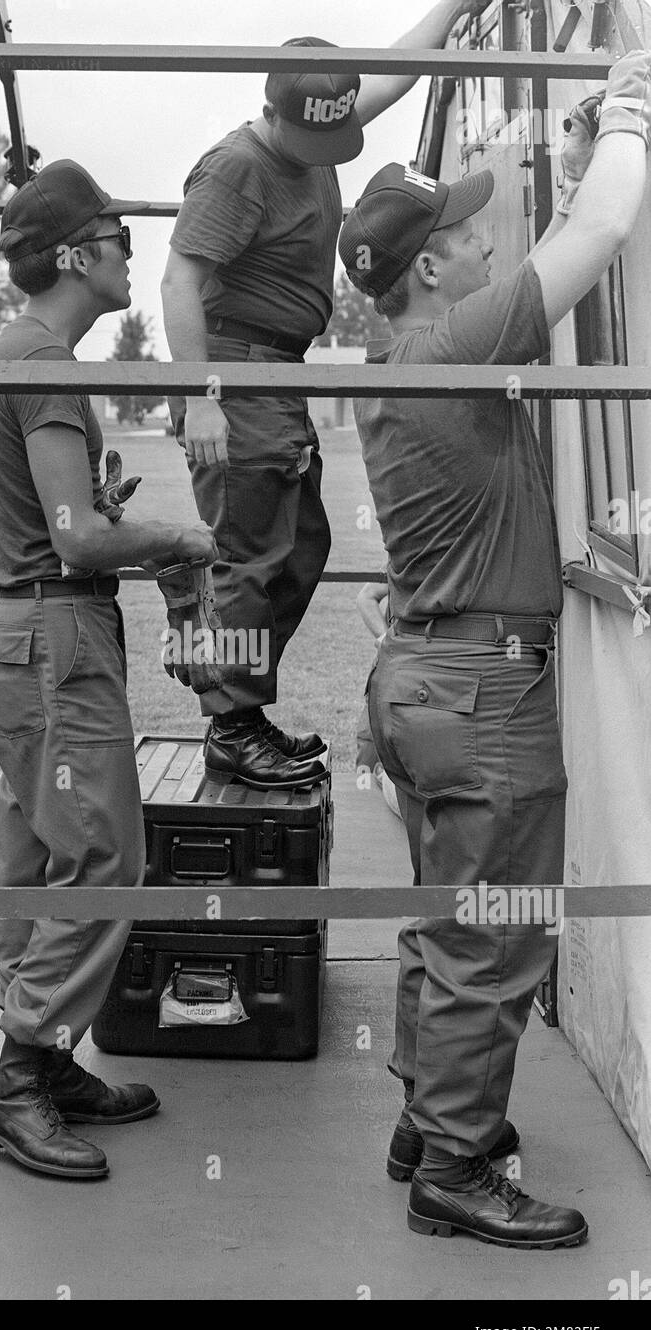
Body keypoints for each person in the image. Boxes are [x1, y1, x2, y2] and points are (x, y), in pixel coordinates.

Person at [340, 51, 651, 1247]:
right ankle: (456, 1170)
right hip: (481, 691)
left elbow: (569, 230)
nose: (486, 242)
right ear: (429, 269)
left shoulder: (400, 360)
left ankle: (429, 1116)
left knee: (442, 915)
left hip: (424, 681)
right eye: (465, 235)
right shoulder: (452, 344)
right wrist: (626, 119)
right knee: (496, 930)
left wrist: (576, 155)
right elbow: (603, 232)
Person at [0, 159, 218, 1180]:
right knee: (104, 863)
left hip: (23, 640)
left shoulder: (14, 353)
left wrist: (108, 522)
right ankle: (20, 1080)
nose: (130, 256)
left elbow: (57, 520)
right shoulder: (45, 363)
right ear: (75, 254)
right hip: (56, 639)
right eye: (117, 239)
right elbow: (74, 538)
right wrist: (176, 540)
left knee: (37, 861)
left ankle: (45, 1057)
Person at [161, 4, 491, 791]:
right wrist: (201, 394)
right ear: (273, 108)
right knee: (250, 556)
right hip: (236, 373)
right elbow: (178, 278)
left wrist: (453, 6)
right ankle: (230, 722)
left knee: (300, 547)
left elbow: (399, 69)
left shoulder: (315, 130)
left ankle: (231, 696)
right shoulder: (236, 167)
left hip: (277, 374)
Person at [355, 581, 400, 818]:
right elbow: (367, 595)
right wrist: (385, 639)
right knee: (368, 760)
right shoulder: (412, 555)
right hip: (389, 675)